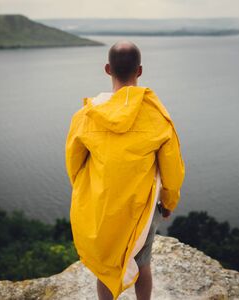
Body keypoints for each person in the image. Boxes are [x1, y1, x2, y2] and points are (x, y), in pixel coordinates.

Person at [65, 40, 185, 300]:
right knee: (142, 263)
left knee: (106, 266)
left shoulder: (87, 115)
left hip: (102, 203)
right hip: (140, 207)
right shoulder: (157, 116)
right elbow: (172, 170)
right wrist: (168, 201)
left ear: (108, 69)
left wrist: (84, 193)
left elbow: (74, 163)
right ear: (139, 71)